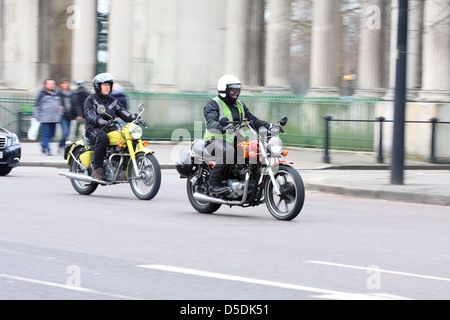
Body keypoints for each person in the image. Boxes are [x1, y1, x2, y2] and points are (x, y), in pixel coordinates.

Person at [203, 74, 270, 195]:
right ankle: (213, 185)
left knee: (256, 149)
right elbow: (211, 122)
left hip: (235, 140)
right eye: (233, 90)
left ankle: (249, 182)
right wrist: (223, 127)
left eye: (237, 90)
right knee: (228, 152)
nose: (236, 93)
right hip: (214, 140)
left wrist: (268, 126)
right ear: (224, 90)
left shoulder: (240, 105)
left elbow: (252, 120)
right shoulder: (213, 104)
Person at [84, 73, 147, 180]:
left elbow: (123, 112)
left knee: (129, 138)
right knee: (102, 138)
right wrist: (99, 120)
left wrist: (136, 118)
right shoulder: (91, 99)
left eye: (109, 85)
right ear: (98, 86)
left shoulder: (113, 101)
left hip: (110, 127)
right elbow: (89, 114)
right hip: (93, 128)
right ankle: (97, 168)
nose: (107, 87)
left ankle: (123, 166)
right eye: (104, 85)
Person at [33, 79, 63, 156]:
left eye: (53, 84)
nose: (52, 85)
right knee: (46, 134)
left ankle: (43, 144)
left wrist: (59, 113)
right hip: (45, 118)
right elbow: (36, 106)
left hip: (54, 118)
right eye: (50, 84)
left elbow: (61, 106)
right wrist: (37, 116)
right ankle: (48, 150)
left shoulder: (57, 94)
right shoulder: (42, 94)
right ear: (45, 85)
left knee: (52, 135)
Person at [57, 78, 83, 153]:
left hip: (70, 115)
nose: (65, 85)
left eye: (66, 83)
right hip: (62, 115)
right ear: (61, 85)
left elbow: (76, 104)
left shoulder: (72, 93)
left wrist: (79, 114)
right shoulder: (58, 94)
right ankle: (62, 145)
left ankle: (62, 145)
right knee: (65, 132)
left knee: (67, 133)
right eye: (64, 83)